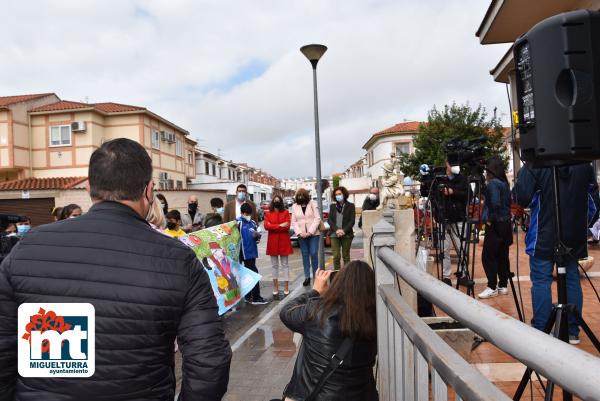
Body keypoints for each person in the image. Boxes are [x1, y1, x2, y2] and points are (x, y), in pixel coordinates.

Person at [0, 138, 231, 400]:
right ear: (149, 189)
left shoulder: (28, 247)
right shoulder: (178, 258)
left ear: (89, 188)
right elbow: (209, 359)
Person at [515, 162, 597, 345]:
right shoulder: (583, 163)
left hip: (542, 235)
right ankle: (572, 330)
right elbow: (593, 203)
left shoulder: (536, 163)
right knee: (571, 278)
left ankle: (542, 330)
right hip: (573, 235)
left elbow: (522, 197)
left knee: (542, 280)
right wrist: (582, 226)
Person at [280, 262, 378, 401]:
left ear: (338, 284)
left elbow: (286, 312)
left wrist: (315, 292)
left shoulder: (317, 312)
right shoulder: (375, 319)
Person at [478, 157, 513, 299]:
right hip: (505, 223)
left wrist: (490, 220)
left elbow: (495, 203)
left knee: (488, 256)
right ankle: (503, 285)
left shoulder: (493, 183)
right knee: (502, 255)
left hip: (496, 223)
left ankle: (492, 286)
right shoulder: (504, 183)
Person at [439, 160, 469, 286]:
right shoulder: (440, 177)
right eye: (451, 163)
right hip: (443, 218)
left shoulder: (462, 178)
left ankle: (463, 274)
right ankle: (446, 276)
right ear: (446, 164)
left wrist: (453, 192)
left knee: (462, 247)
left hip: (459, 218)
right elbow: (432, 195)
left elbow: (468, 195)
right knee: (444, 249)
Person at [238, 203, 268, 305]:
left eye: (249, 213)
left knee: (250, 274)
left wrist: (257, 237)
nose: (247, 215)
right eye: (245, 213)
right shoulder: (238, 222)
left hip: (252, 253)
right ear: (242, 213)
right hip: (242, 253)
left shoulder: (253, 223)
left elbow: (258, 235)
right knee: (251, 274)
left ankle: (250, 296)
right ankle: (255, 297)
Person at [264, 195, 293, 298]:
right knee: (274, 266)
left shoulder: (285, 212)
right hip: (272, 242)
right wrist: (280, 225)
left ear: (281, 202)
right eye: (275, 200)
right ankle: (275, 287)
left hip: (283, 241)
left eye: (278, 200)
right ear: (272, 202)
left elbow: (287, 226)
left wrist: (273, 226)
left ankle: (286, 287)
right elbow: (266, 226)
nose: (276, 202)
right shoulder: (268, 213)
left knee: (285, 265)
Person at [291, 188, 321, 286]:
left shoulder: (312, 203)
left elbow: (317, 218)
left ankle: (316, 276)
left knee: (313, 253)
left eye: (302, 195)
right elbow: (294, 221)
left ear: (306, 196)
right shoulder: (294, 206)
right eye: (298, 196)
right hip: (301, 235)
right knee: (305, 255)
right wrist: (299, 233)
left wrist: (310, 232)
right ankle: (307, 277)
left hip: (313, 234)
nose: (300, 197)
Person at [328, 186, 356, 271]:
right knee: (336, 256)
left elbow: (352, 221)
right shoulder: (332, 206)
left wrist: (343, 230)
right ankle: (337, 274)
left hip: (347, 234)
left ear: (344, 194)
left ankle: (347, 274)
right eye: (336, 194)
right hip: (334, 233)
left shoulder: (350, 206)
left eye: (339, 194)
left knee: (346, 256)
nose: (338, 196)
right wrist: (337, 230)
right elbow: (330, 220)